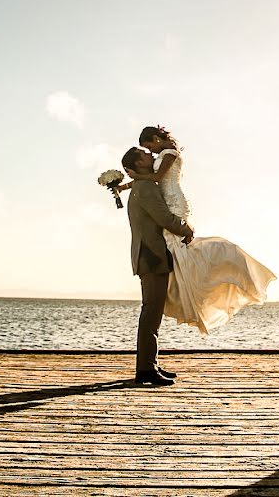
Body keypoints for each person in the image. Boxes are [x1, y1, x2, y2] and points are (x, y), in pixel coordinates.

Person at [124, 126, 275, 334]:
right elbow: (154, 185)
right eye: (145, 151)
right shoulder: (148, 181)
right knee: (178, 251)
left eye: (148, 146)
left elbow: (158, 177)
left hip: (173, 202)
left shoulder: (169, 154)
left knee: (178, 247)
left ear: (155, 139)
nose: (150, 152)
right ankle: (188, 287)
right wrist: (127, 185)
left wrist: (134, 180)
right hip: (166, 209)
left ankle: (192, 287)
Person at [121, 147, 194, 386]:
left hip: (150, 255)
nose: (151, 156)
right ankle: (145, 370)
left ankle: (149, 364)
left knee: (152, 313)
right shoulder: (145, 188)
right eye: (145, 155)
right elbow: (163, 217)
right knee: (151, 313)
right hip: (151, 256)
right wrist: (185, 228)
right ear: (139, 164)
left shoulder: (142, 186)